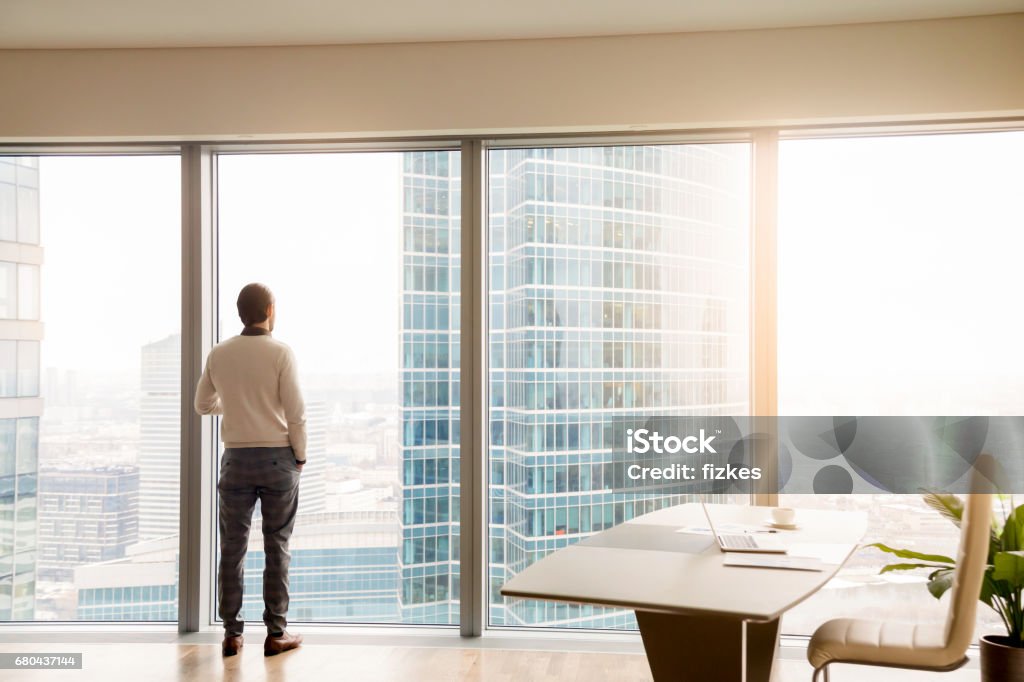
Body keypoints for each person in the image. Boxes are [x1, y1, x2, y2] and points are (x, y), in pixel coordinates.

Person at [194, 283, 306, 657]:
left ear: (240, 311)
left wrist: (238, 407)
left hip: (236, 460)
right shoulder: (280, 353)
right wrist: (300, 456)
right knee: (277, 547)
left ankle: (232, 634)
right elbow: (295, 413)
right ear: (270, 309)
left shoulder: (220, 353)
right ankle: (276, 633)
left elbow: (202, 404)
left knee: (232, 549)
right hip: (278, 459)